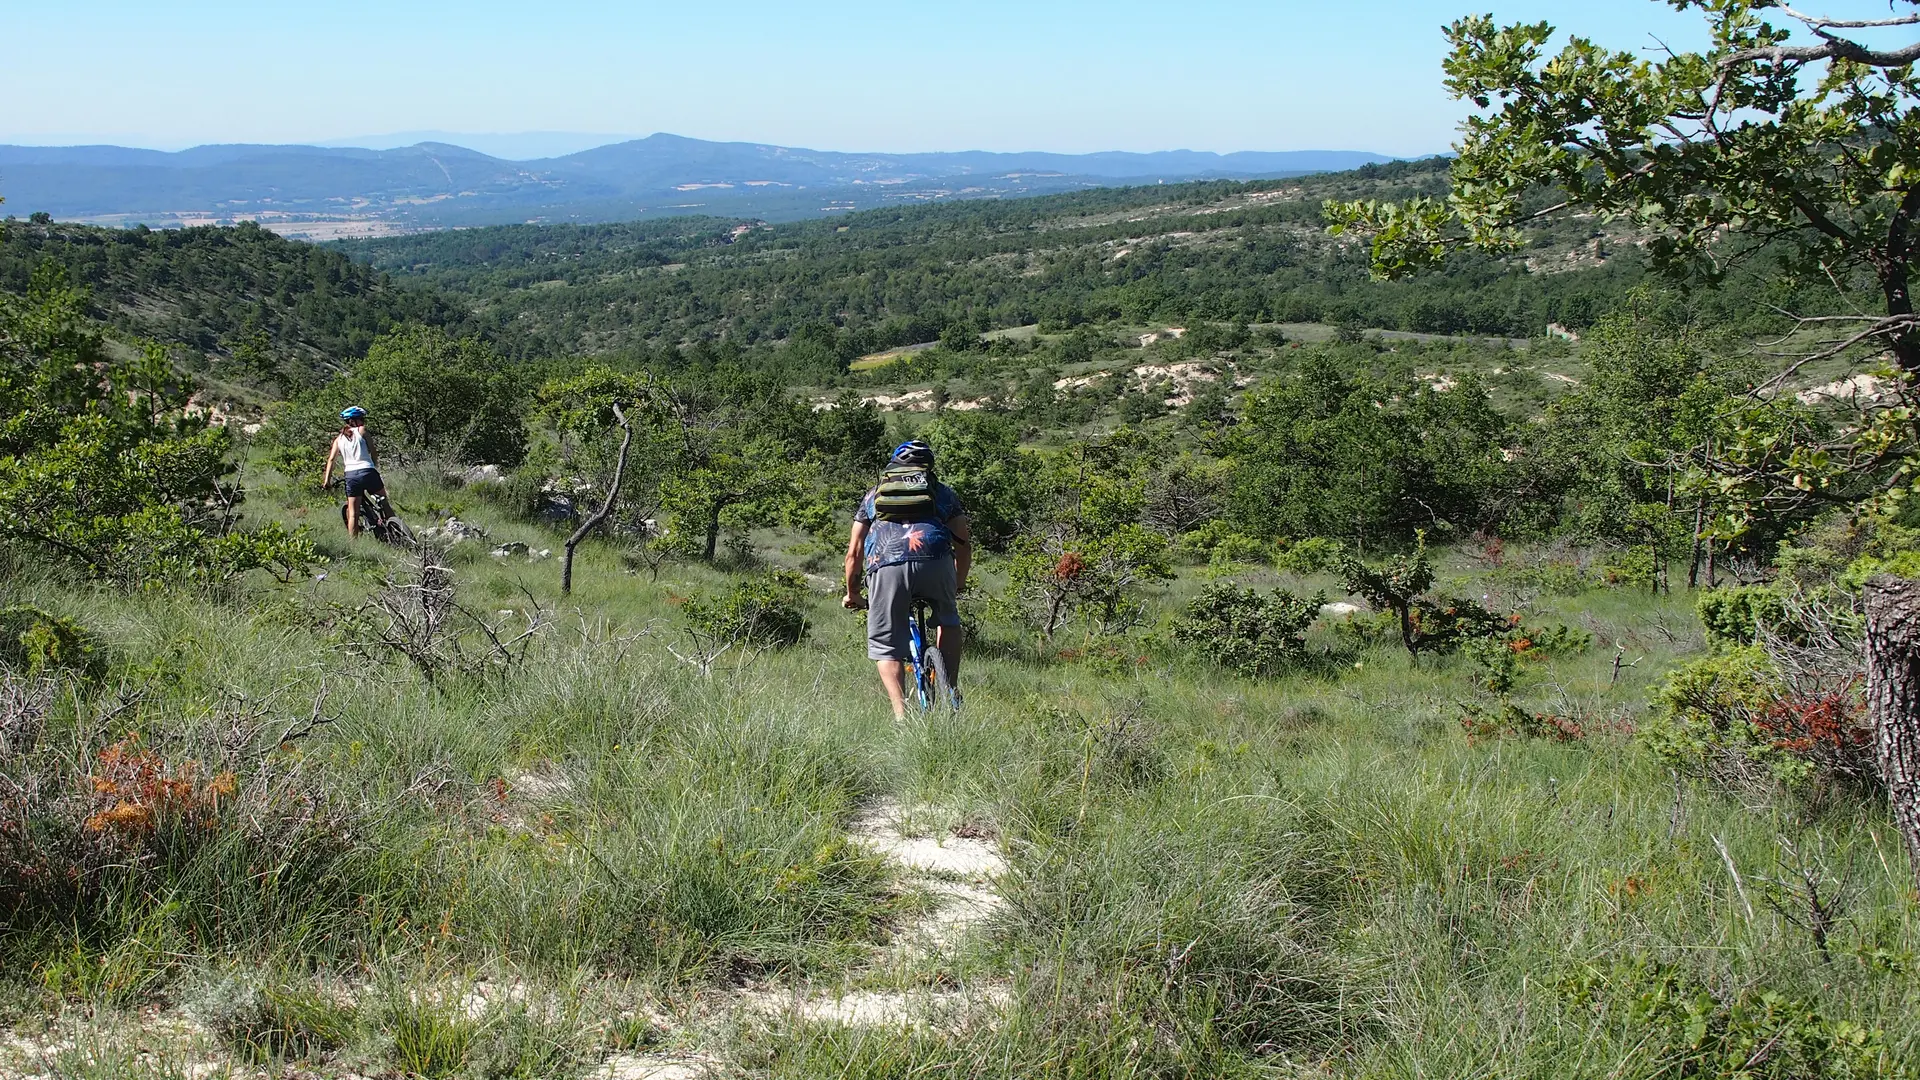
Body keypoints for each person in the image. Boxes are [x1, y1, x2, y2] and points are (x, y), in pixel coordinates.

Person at [843, 439, 972, 719]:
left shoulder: (873, 495)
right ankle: (950, 690)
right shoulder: (943, 493)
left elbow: (853, 553)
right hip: (936, 562)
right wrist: (958, 582)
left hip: (886, 564)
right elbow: (964, 545)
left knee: (886, 642)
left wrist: (853, 593)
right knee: (948, 621)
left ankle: (902, 715)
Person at [321, 406, 388, 538]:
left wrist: (326, 482)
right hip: (368, 471)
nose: (363, 421)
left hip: (351, 476)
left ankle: (353, 545)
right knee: (385, 504)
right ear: (354, 421)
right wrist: (375, 466)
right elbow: (373, 451)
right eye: (361, 419)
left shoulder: (338, 439)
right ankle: (395, 528)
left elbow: (331, 460)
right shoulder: (362, 430)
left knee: (353, 514)